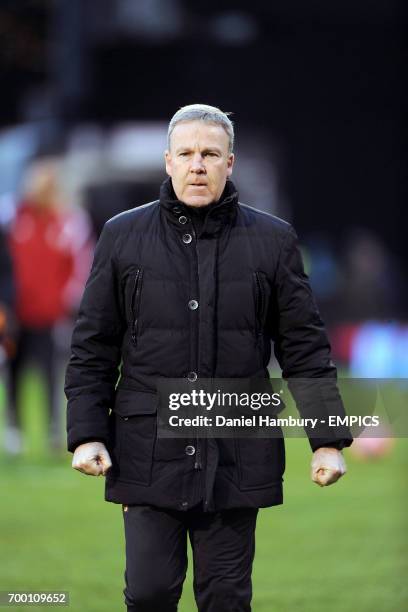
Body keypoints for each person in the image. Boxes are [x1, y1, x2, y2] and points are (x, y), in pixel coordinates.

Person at [65, 104, 352, 612]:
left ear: (230, 163)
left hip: (237, 453)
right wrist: (87, 432)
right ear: (168, 162)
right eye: (187, 154)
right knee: (150, 593)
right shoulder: (121, 236)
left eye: (210, 154)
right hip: (146, 449)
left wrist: (327, 440)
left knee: (225, 598)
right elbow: (93, 345)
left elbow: (304, 348)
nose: (198, 164)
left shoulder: (274, 241)